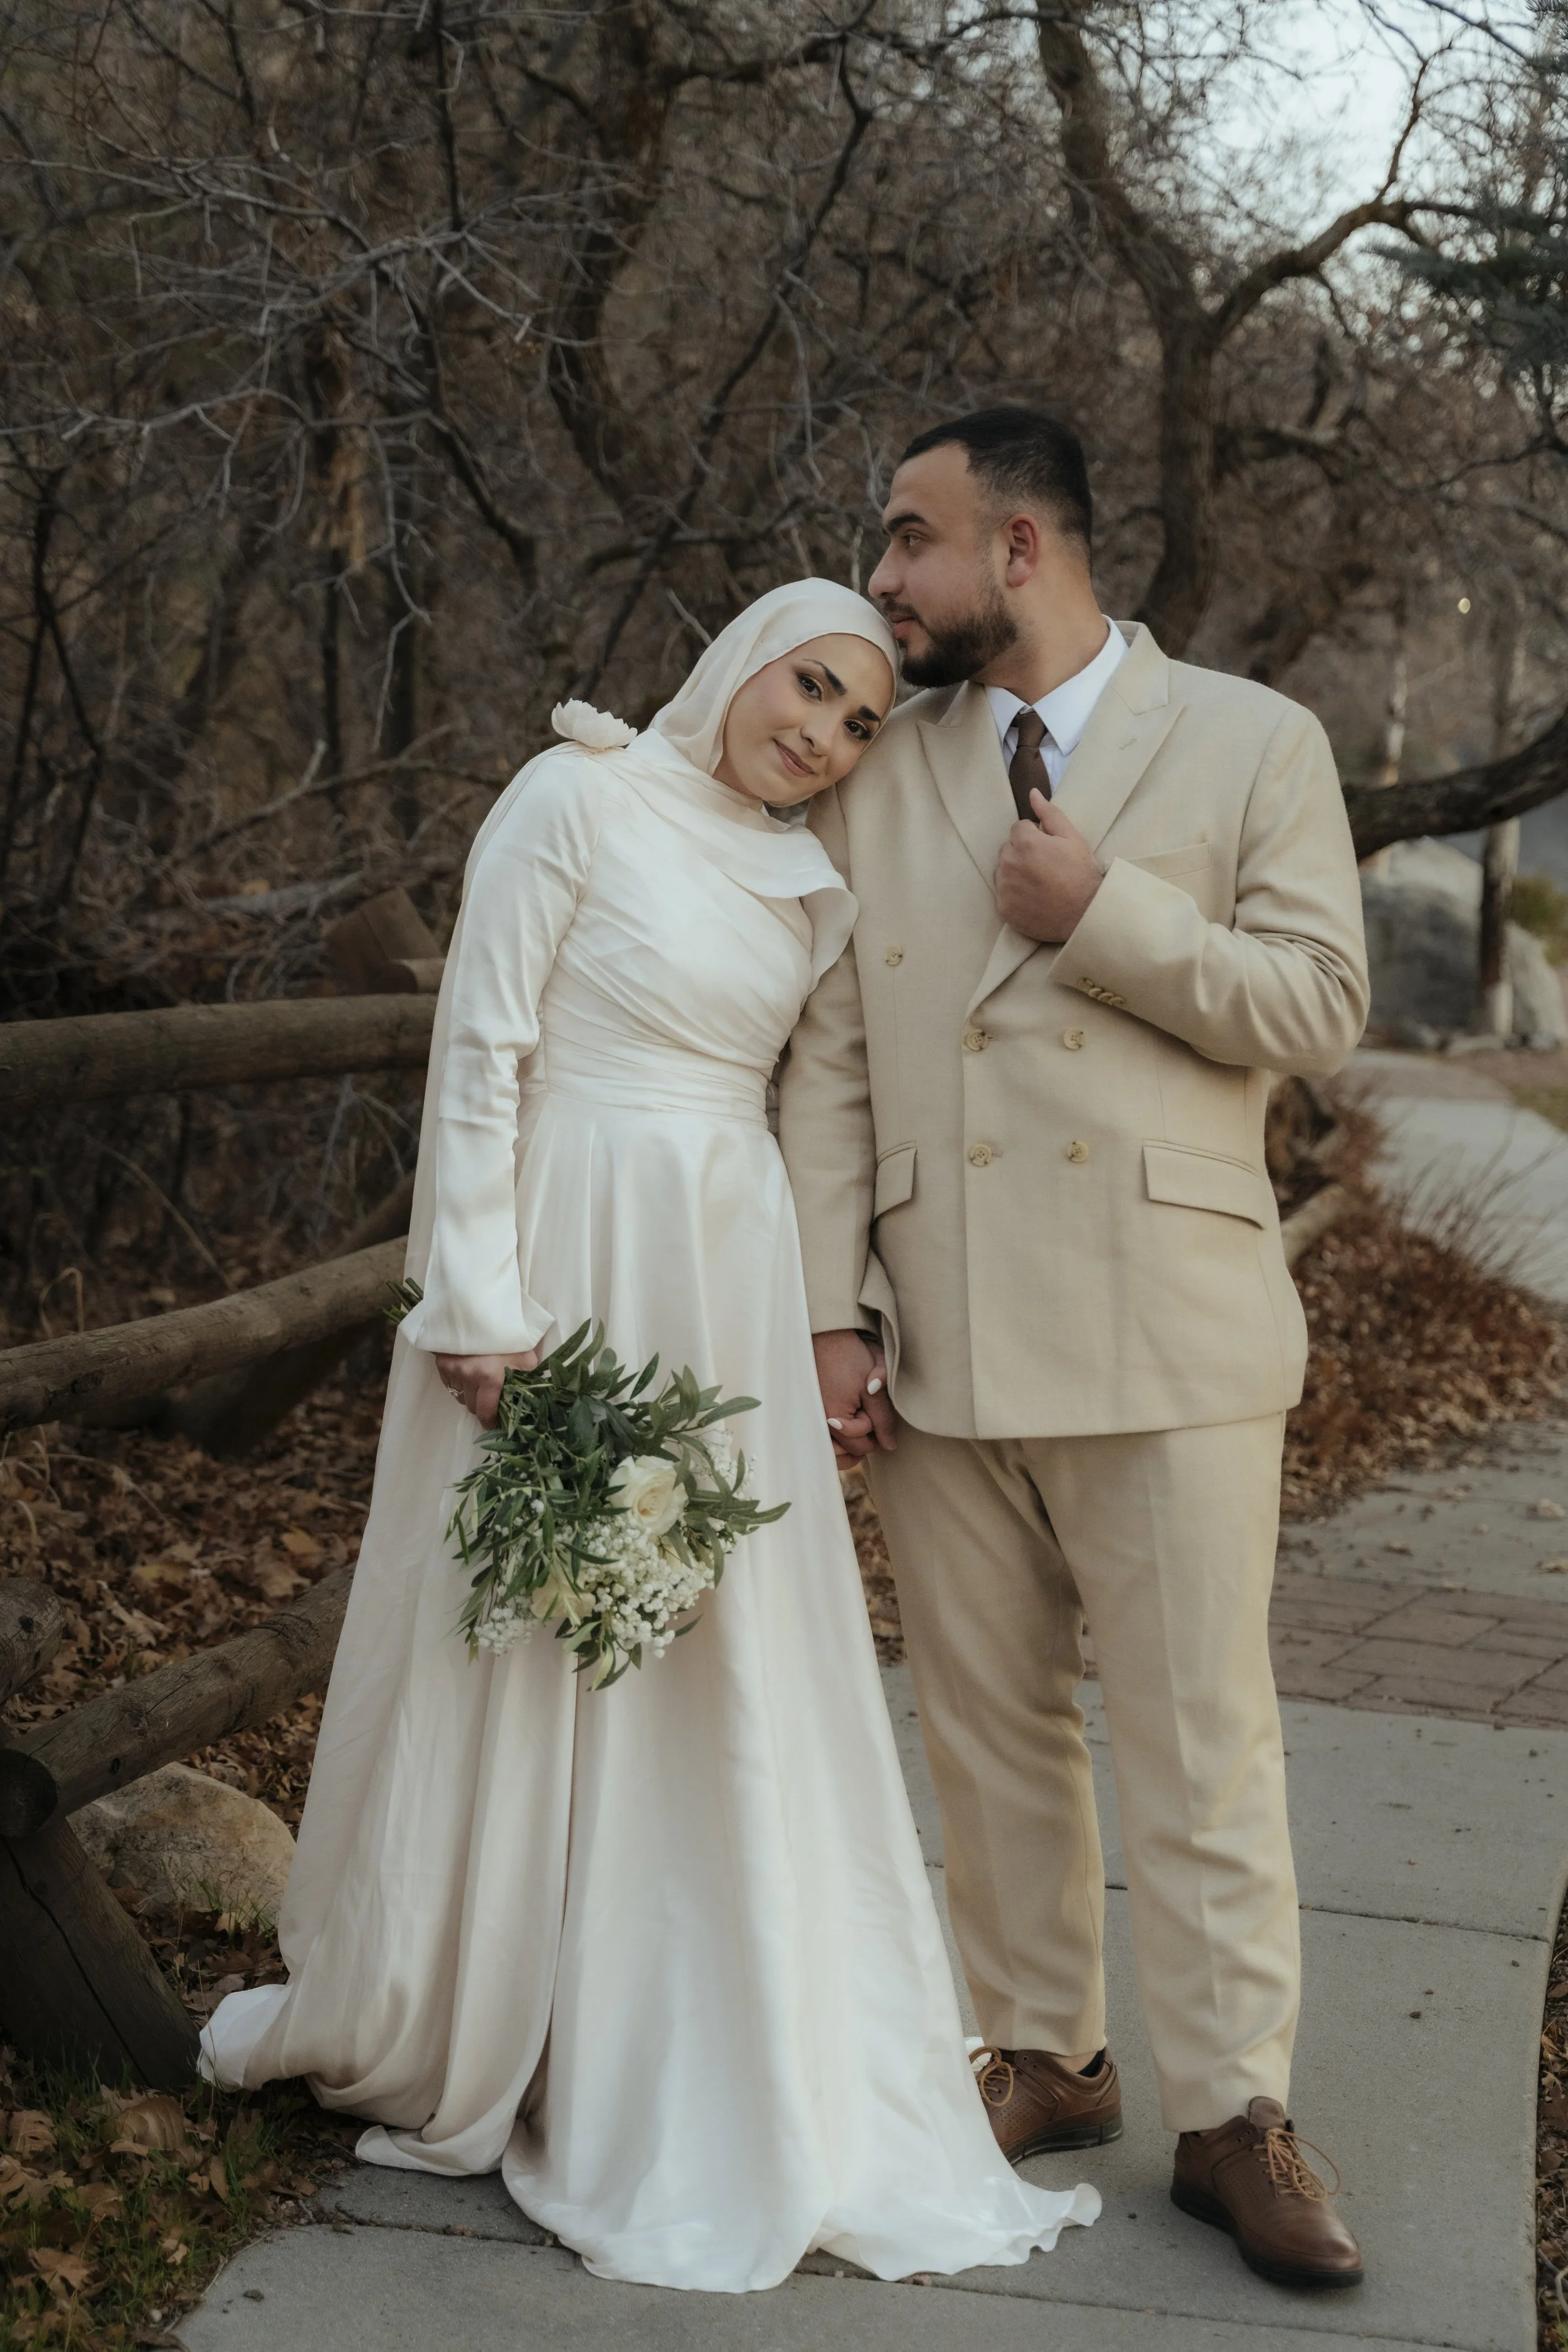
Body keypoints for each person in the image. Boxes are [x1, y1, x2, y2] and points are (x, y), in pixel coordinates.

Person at [199, 579, 1098, 2293]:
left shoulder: (811, 880)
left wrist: (844, 1308)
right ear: (745, 653)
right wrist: (473, 1291)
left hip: (724, 1266)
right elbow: (482, 1044)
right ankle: (489, 2009)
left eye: (855, 725)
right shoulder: (576, 797)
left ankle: (669, 2022)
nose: (821, 734)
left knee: (695, 1633)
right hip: (557, 1237)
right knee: (521, 1618)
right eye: (812, 687)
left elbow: (821, 1101)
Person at [778, 410, 1370, 2292]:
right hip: (941, 1334)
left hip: (1170, 1331)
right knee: (986, 1729)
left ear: (1018, 546)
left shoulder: (1253, 739)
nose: (883, 580)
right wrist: (825, 1309)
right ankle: (1044, 2049)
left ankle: (1229, 2111)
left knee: (1199, 1743)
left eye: (909, 540)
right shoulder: (888, 771)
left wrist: (1103, 915)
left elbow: (1320, 1000)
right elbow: (836, 1060)